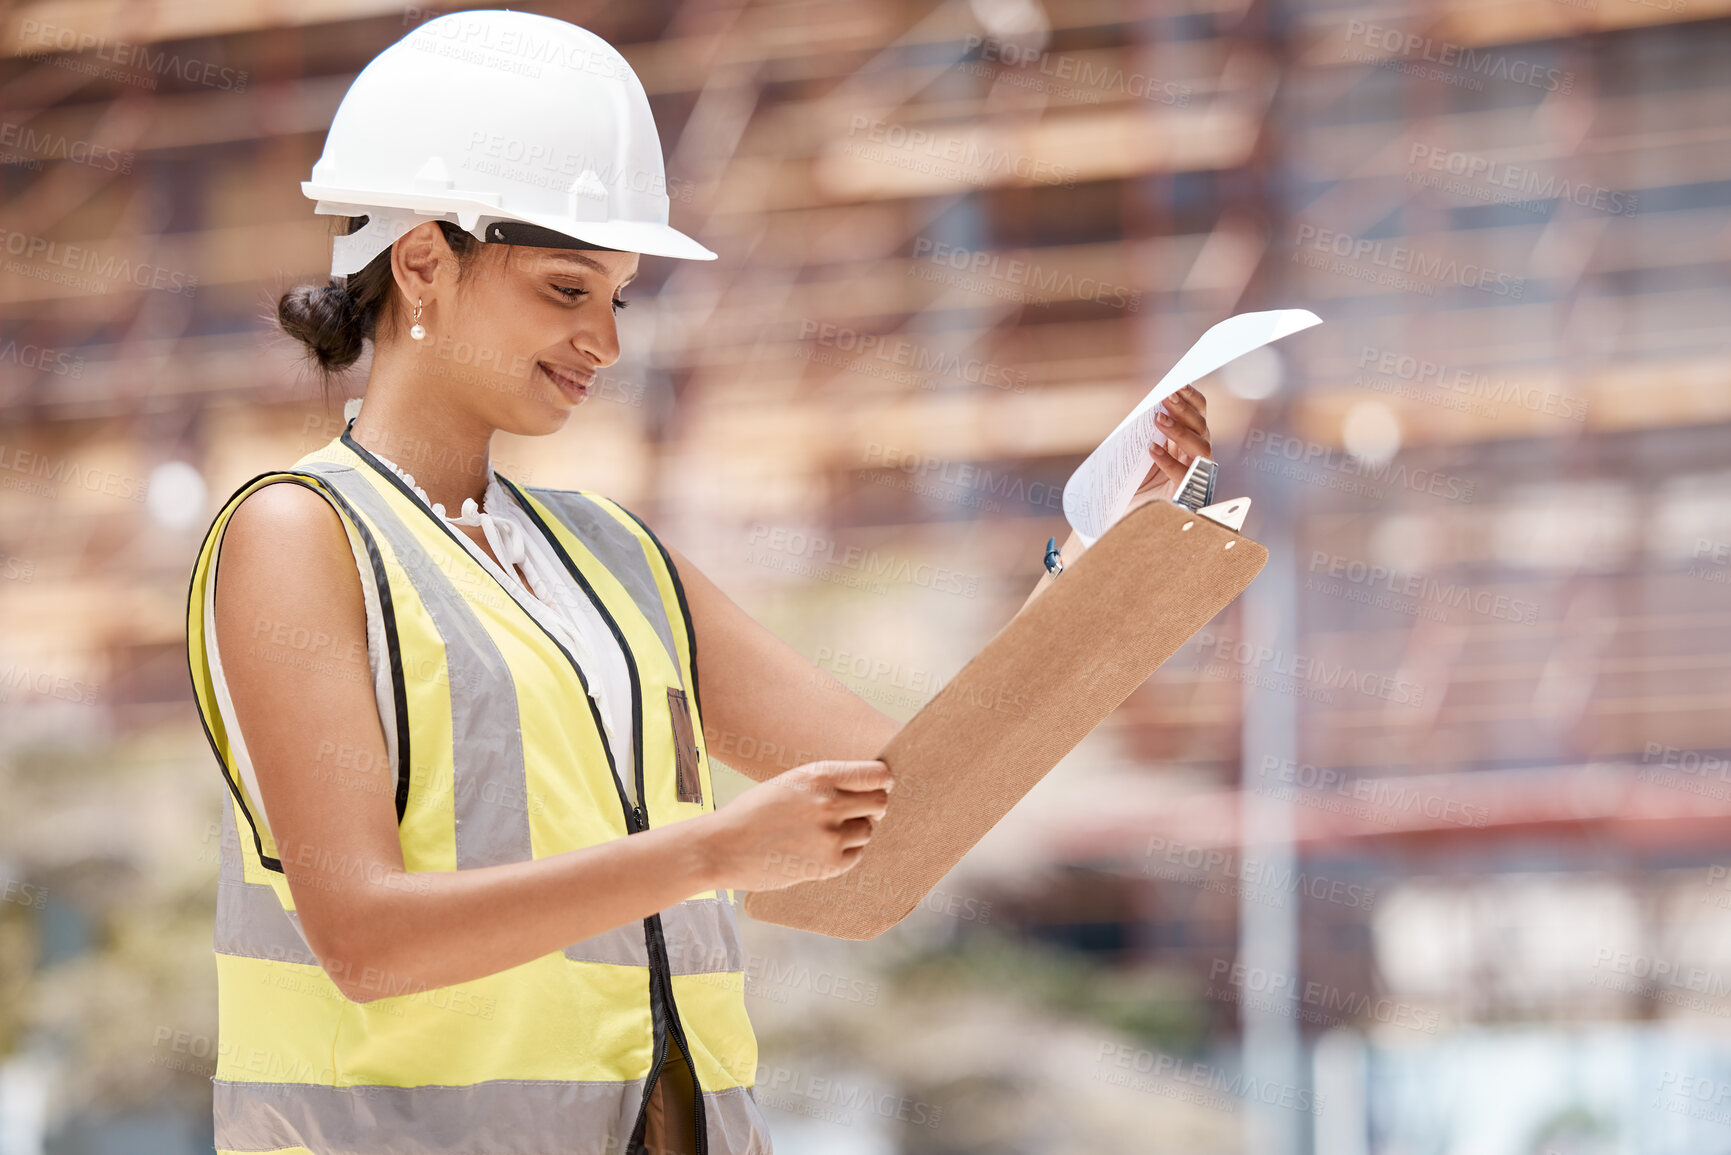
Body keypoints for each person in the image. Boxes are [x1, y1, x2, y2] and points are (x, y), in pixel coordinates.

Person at [184, 11, 1213, 1155]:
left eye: (616, 298)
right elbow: (364, 939)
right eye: (567, 291)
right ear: (423, 261)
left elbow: (907, 801)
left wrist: (1092, 562)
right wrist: (718, 851)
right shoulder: (298, 535)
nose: (606, 344)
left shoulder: (616, 562)